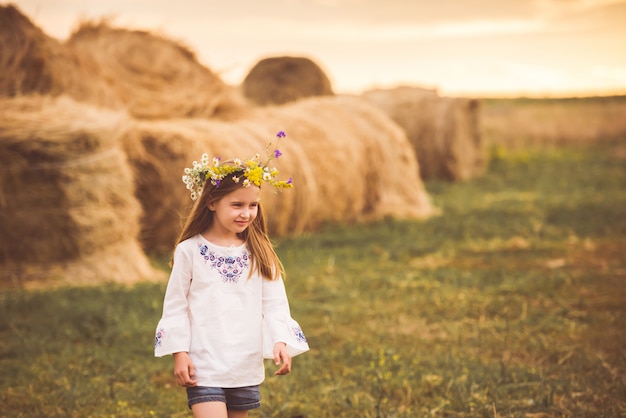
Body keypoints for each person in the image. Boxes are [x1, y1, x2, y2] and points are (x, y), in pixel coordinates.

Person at [154, 131, 309, 418]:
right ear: (212, 203)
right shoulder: (189, 251)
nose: (246, 213)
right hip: (204, 363)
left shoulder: (260, 252)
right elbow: (175, 305)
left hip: (243, 365)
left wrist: (280, 341)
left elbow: (275, 304)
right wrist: (180, 352)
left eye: (253, 205)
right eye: (237, 205)